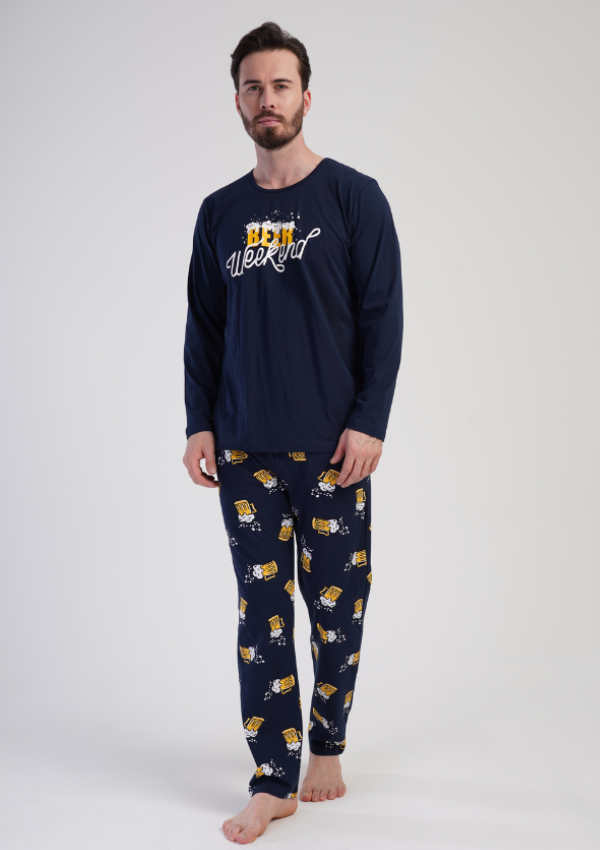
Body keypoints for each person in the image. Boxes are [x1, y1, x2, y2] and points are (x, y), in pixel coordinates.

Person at [182, 21, 403, 845]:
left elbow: (383, 319)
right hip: (245, 448)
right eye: (253, 87)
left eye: (280, 85)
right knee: (262, 614)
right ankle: (272, 778)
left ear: (306, 96)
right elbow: (204, 328)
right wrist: (199, 422)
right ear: (237, 102)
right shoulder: (220, 212)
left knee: (338, 610)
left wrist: (370, 422)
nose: (266, 99)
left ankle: (328, 745)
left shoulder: (353, 197)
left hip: (335, 451)